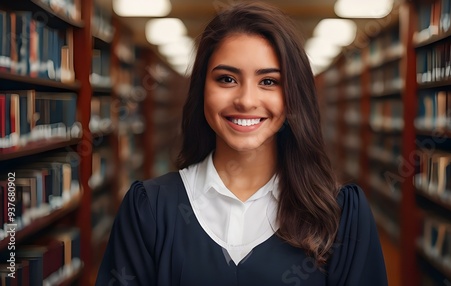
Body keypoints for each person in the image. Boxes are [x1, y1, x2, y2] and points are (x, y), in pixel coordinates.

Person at [96, 2, 388, 285]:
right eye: (226, 79)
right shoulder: (149, 210)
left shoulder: (341, 216)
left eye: (269, 82)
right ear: (202, 90)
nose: (246, 101)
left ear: (294, 95)